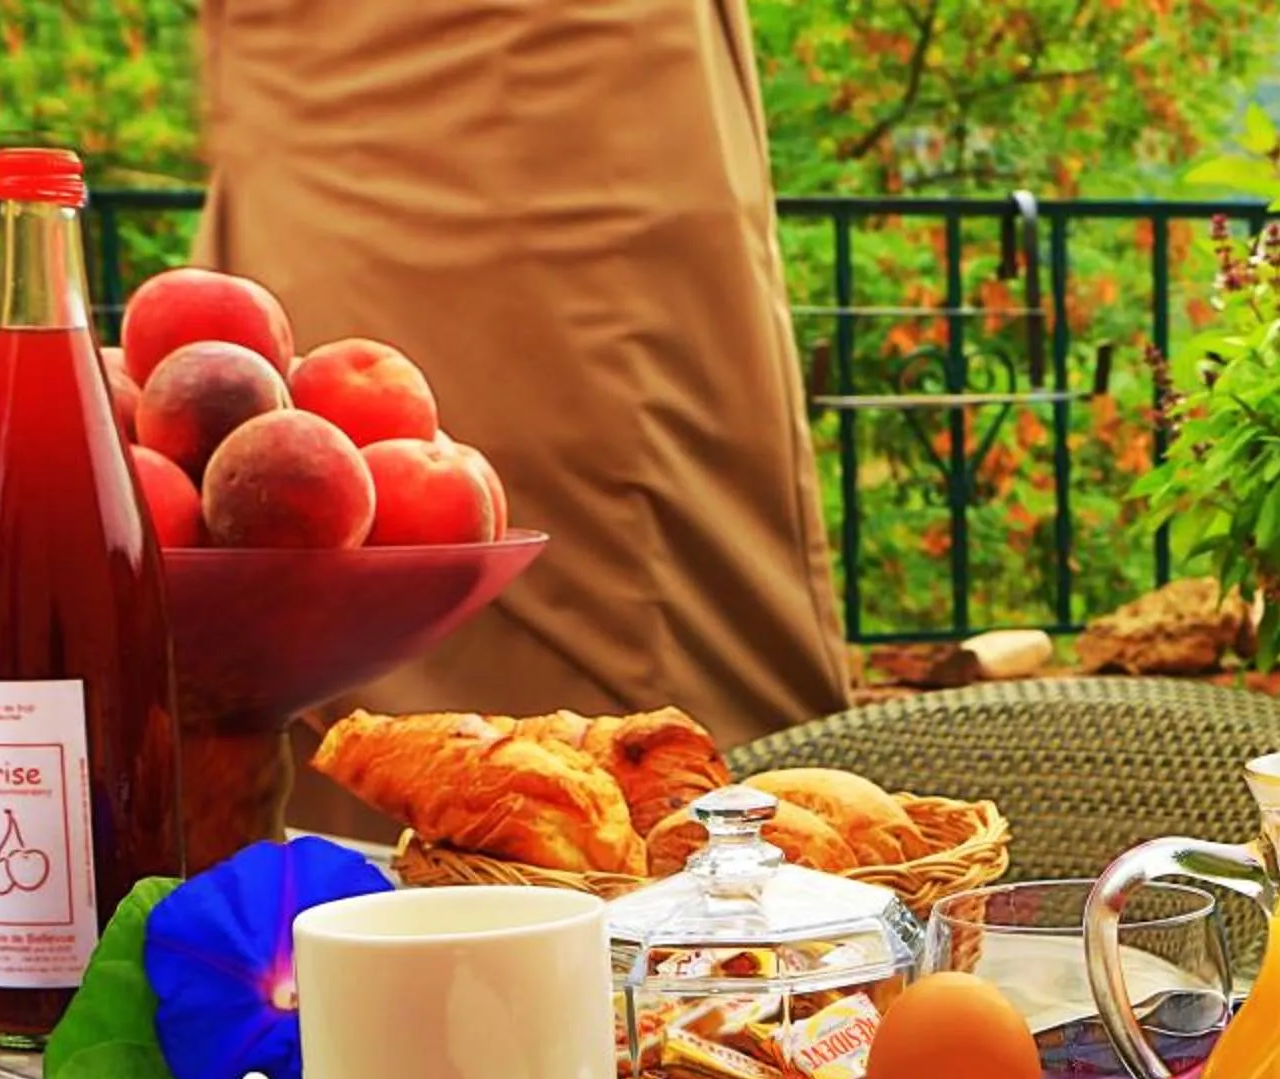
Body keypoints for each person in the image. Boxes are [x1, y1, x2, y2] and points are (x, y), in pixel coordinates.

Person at [195, 0, 845, 826]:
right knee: (326, 511)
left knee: (629, 643)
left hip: (578, 132)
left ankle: (704, 885)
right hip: (323, 120)